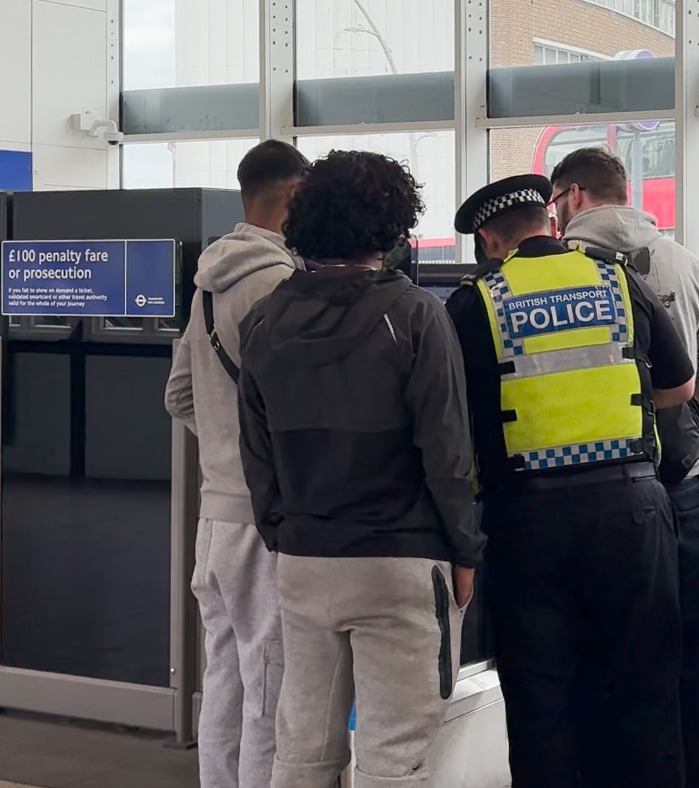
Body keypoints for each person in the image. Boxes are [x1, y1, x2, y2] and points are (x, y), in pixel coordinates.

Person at [235, 151, 485, 788]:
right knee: (395, 755)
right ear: (393, 225)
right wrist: (464, 550)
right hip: (400, 562)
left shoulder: (265, 318)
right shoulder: (414, 315)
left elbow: (256, 452)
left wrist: (284, 535)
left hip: (304, 561)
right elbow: (447, 451)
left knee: (302, 749)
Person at [446, 174, 696, 787]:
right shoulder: (615, 278)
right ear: (551, 222)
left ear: (488, 239)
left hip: (527, 522)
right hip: (631, 509)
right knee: (646, 689)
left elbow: (454, 415)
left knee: (540, 699)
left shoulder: (475, 301)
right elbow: (681, 385)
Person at [549, 146, 699, 788]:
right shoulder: (685, 260)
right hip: (677, 481)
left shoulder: (558, 271)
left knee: (596, 651)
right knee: (682, 650)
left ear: (571, 197)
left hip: (590, 485)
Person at [164, 140, 308, 788]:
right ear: (294, 197)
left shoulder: (206, 281)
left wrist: (224, 448)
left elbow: (179, 395)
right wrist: (257, 455)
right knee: (269, 680)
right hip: (262, 516)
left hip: (215, 515)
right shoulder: (278, 284)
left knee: (224, 674)